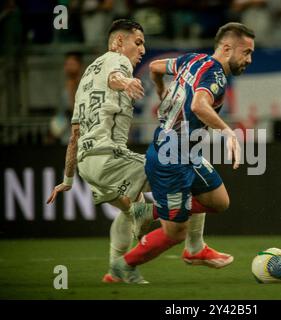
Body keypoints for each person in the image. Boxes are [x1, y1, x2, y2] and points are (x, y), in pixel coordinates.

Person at [46, 19, 233, 284]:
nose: (142, 49)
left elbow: (75, 134)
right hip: (110, 157)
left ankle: (117, 270)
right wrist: (126, 83)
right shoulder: (117, 59)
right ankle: (193, 247)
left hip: (88, 165)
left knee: (129, 211)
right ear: (118, 42)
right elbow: (116, 76)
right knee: (185, 168)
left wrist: (67, 180)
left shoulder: (87, 76)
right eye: (138, 42)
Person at [110, 22, 255, 283]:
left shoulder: (192, 59)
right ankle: (123, 266)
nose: (249, 59)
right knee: (175, 232)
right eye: (245, 52)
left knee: (219, 201)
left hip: (187, 154)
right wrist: (228, 132)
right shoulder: (216, 76)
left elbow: (155, 68)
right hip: (170, 160)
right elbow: (200, 105)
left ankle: (157, 217)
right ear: (226, 48)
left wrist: (159, 88)